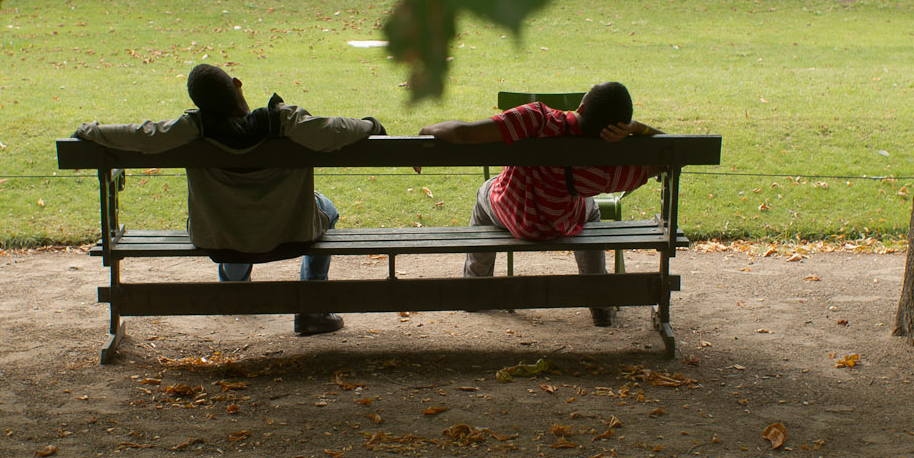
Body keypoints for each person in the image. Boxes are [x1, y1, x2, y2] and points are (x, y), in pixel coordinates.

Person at [73, 64, 387, 337]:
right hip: (290, 232)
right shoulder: (283, 121)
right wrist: (372, 124)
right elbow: (334, 130)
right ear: (237, 84)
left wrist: (91, 131)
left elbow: (143, 135)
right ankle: (312, 309)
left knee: (229, 213)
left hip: (220, 236)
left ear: (201, 104)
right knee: (326, 208)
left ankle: (237, 289)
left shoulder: (193, 128)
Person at [418, 82, 664, 327]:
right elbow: (672, 154)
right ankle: (599, 301)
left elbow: (463, 133)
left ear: (581, 106)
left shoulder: (535, 119)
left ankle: (475, 290)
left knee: (486, 191)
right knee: (591, 209)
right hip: (561, 222)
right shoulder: (605, 171)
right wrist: (637, 128)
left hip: (511, 212)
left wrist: (427, 129)